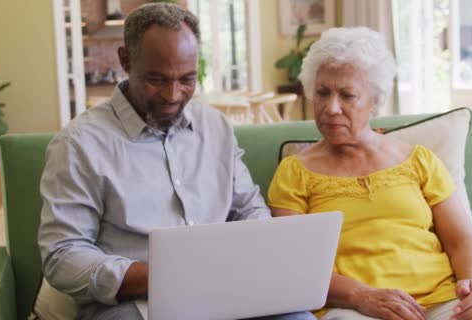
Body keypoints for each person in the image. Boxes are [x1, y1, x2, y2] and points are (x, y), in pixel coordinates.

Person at [38, 3, 316, 320]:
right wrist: (158, 277)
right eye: (156, 79)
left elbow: (248, 208)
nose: (172, 95)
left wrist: (253, 260)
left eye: (186, 79)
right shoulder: (79, 144)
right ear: (125, 60)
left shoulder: (216, 127)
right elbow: (62, 255)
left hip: (226, 292)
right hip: (135, 306)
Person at [267, 27, 472, 320]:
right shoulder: (295, 171)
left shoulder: (418, 160)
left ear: (376, 100)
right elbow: (296, 264)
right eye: (323, 93)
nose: (331, 108)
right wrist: (361, 296)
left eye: (347, 95)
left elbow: (462, 240)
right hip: (352, 307)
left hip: (443, 301)